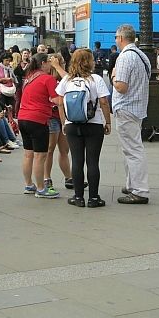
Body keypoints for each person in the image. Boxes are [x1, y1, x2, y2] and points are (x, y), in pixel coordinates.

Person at [55, 48, 111, 208]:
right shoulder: (96, 79)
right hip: (93, 124)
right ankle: (94, 198)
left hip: (72, 125)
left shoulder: (66, 80)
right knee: (93, 161)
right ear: (89, 62)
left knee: (77, 160)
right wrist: (107, 122)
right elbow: (104, 102)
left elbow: (60, 102)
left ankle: (78, 197)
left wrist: (64, 122)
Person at [16, 53, 66, 198]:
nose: (51, 65)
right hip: (38, 119)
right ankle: (41, 188)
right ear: (43, 63)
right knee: (40, 156)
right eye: (49, 62)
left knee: (28, 154)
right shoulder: (47, 79)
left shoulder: (29, 77)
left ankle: (28, 184)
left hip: (23, 117)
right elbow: (58, 101)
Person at [111, 24, 151, 205]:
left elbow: (121, 86)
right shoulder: (142, 55)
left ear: (120, 38)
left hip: (126, 107)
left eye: (115, 38)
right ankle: (132, 184)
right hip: (137, 107)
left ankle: (139, 190)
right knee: (131, 148)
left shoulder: (125, 57)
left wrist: (113, 77)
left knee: (133, 149)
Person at [43, 53, 73, 193]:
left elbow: (70, 81)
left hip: (63, 116)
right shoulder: (48, 79)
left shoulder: (63, 79)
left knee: (64, 149)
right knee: (49, 149)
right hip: (51, 116)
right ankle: (46, 178)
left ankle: (68, 177)